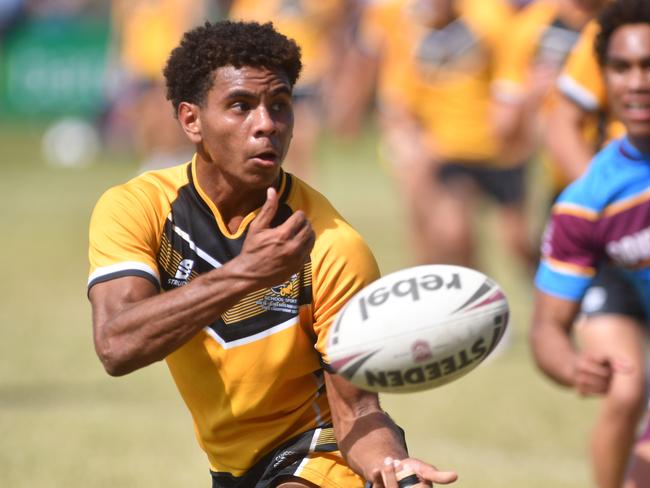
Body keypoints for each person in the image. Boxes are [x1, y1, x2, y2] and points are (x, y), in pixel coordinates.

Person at [87, 20, 457, 488]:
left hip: (316, 454)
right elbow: (116, 345)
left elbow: (358, 407)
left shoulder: (331, 245)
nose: (266, 124)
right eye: (241, 106)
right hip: (231, 467)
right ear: (190, 120)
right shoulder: (138, 208)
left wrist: (392, 468)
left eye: (280, 106)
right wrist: (245, 274)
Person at [530, 2, 650, 487]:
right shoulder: (587, 200)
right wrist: (573, 366)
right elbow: (547, 329)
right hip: (623, 288)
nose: (637, 82)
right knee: (624, 386)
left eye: (649, 66)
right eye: (621, 68)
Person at [356, 0, 532, 268]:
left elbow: (513, 66)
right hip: (448, 152)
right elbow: (400, 91)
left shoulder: (491, 16)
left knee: (518, 242)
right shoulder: (413, 27)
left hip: (500, 151)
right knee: (452, 233)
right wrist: (405, 133)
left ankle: (556, 288)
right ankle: (468, 295)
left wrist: (510, 105)